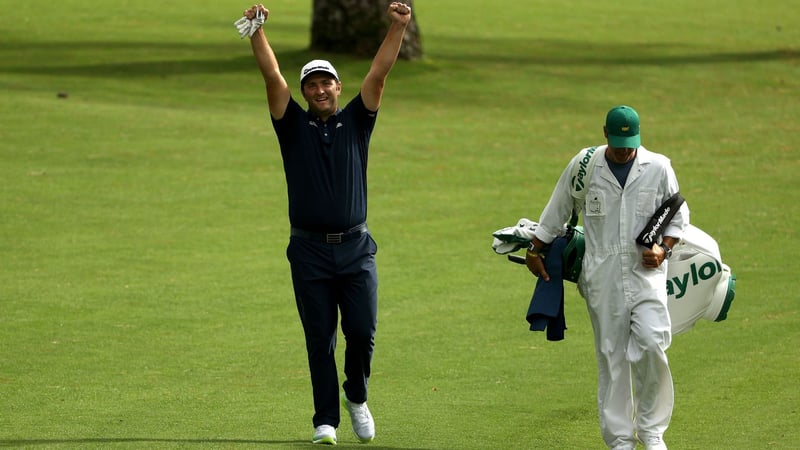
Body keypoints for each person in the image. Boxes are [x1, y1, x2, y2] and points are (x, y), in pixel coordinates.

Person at [240, 2, 412, 445]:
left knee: (362, 332)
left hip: (356, 248)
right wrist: (258, 31)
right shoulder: (291, 126)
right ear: (305, 91)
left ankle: (356, 395)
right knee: (320, 339)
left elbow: (379, 72)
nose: (319, 90)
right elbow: (272, 77)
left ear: (338, 87)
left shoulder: (357, 120)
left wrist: (397, 26)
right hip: (309, 251)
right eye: (311, 85)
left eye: (325, 83)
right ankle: (325, 421)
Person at [525, 106, 689, 450]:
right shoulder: (585, 167)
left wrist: (664, 250)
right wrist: (535, 249)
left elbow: (678, 216)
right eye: (618, 144)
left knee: (652, 343)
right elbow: (557, 210)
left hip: (647, 276)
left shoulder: (659, 167)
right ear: (604, 134)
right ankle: (619, 441)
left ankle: (652, 431)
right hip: (601, 278)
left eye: (630, 144)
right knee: (611, 356)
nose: (625, 151)